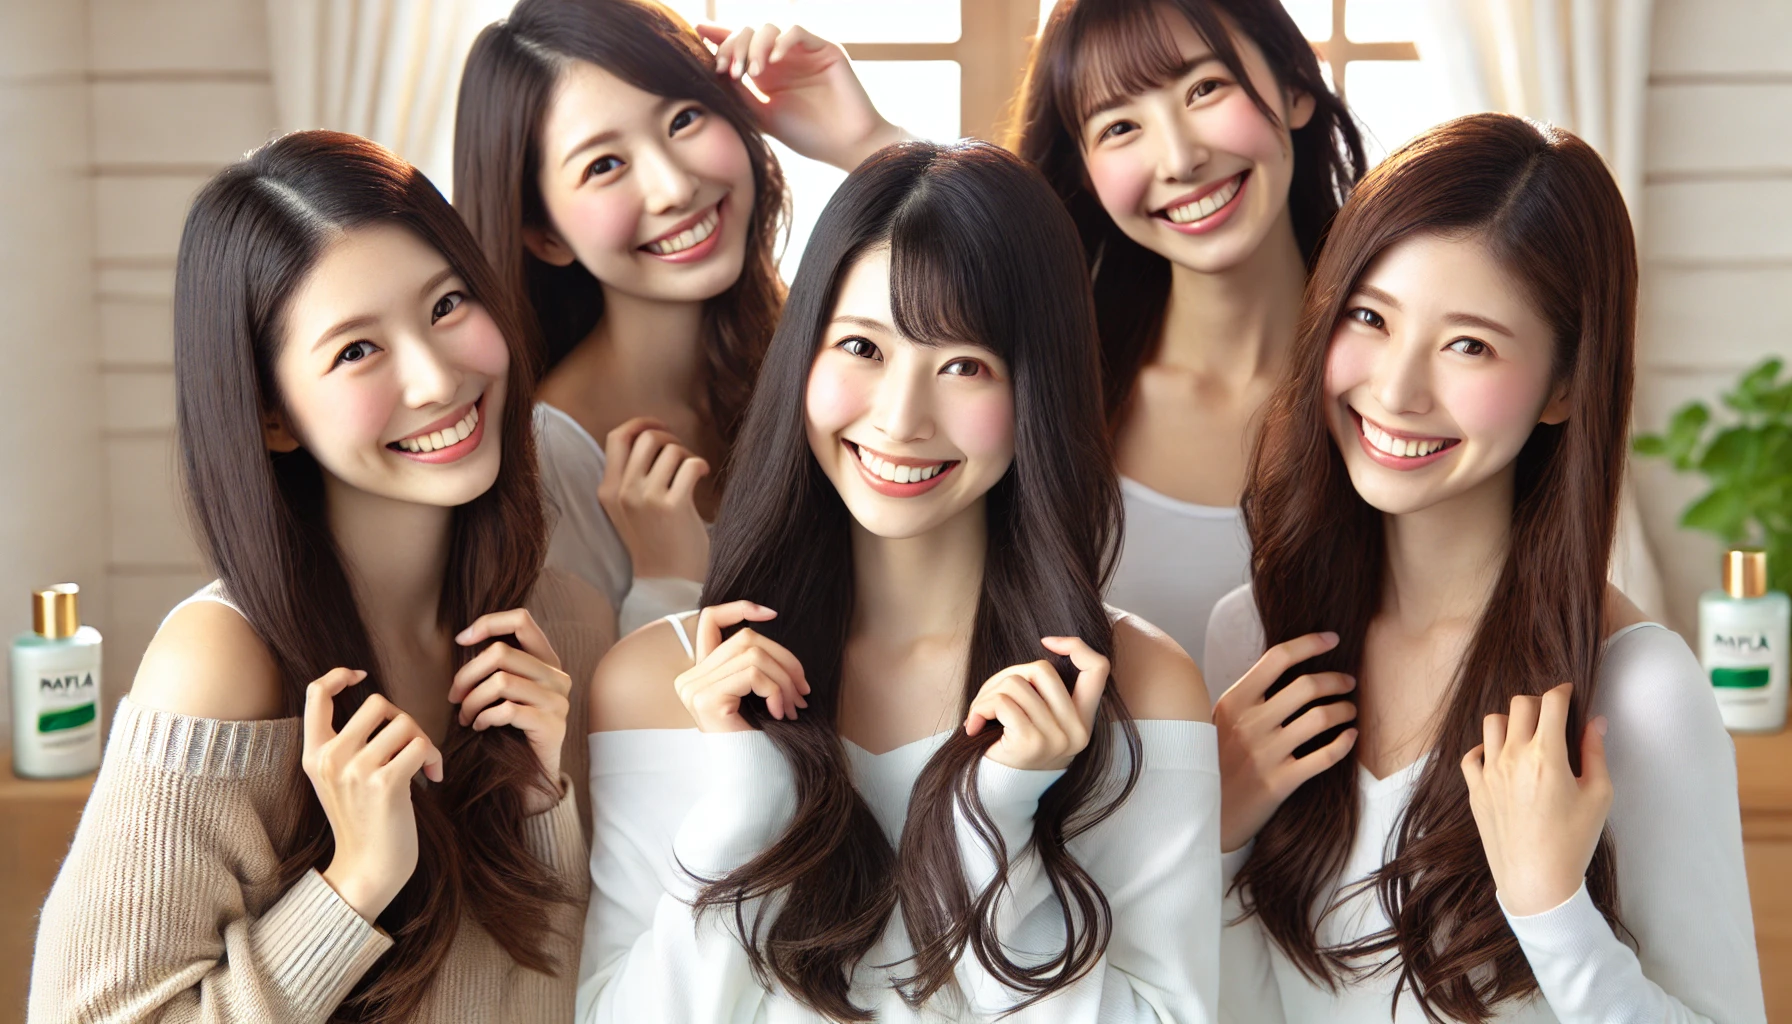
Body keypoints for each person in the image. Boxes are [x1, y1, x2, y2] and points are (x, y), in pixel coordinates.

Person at [578, 141, 1220, 1021]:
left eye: (963, 365)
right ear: (804, 352)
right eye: (862, 347)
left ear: (1037, 390)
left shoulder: (1135, 687)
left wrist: (997, 816)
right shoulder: (663, 683)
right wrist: (747, 808)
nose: (900, 417)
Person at [30, 131, 614, 1023]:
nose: (434, 376)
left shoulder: (562, 626)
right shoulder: (225, 658)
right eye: (355, 351)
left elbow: (577, 989)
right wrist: (354, 888)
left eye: (448, 303)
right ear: (272, 414)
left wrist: (541, 805)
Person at [1205, 113, 1765, 1023]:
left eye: (1469, 344)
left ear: (1564, 387)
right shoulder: (1258, 637)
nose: (1396, 390)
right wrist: (1215, 839)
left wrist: (1554, 915)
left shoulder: (1640, 692)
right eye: (1370, 318)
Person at [455, 0, 908, 633]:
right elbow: (582, 725)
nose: (674, 186)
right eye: (604, 165)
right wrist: (666, 584)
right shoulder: (545, 462)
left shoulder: (822, 348)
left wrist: (869, 144)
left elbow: (1012, 316)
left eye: (684, 119)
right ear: (544, 234)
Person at [1009, 0, 1365, 669]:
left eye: (1205, 88)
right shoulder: (1056, 397)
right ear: (1084, 172)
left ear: (1294, 85)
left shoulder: (1399, 390)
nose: (1179, 157)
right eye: (1119, 126)